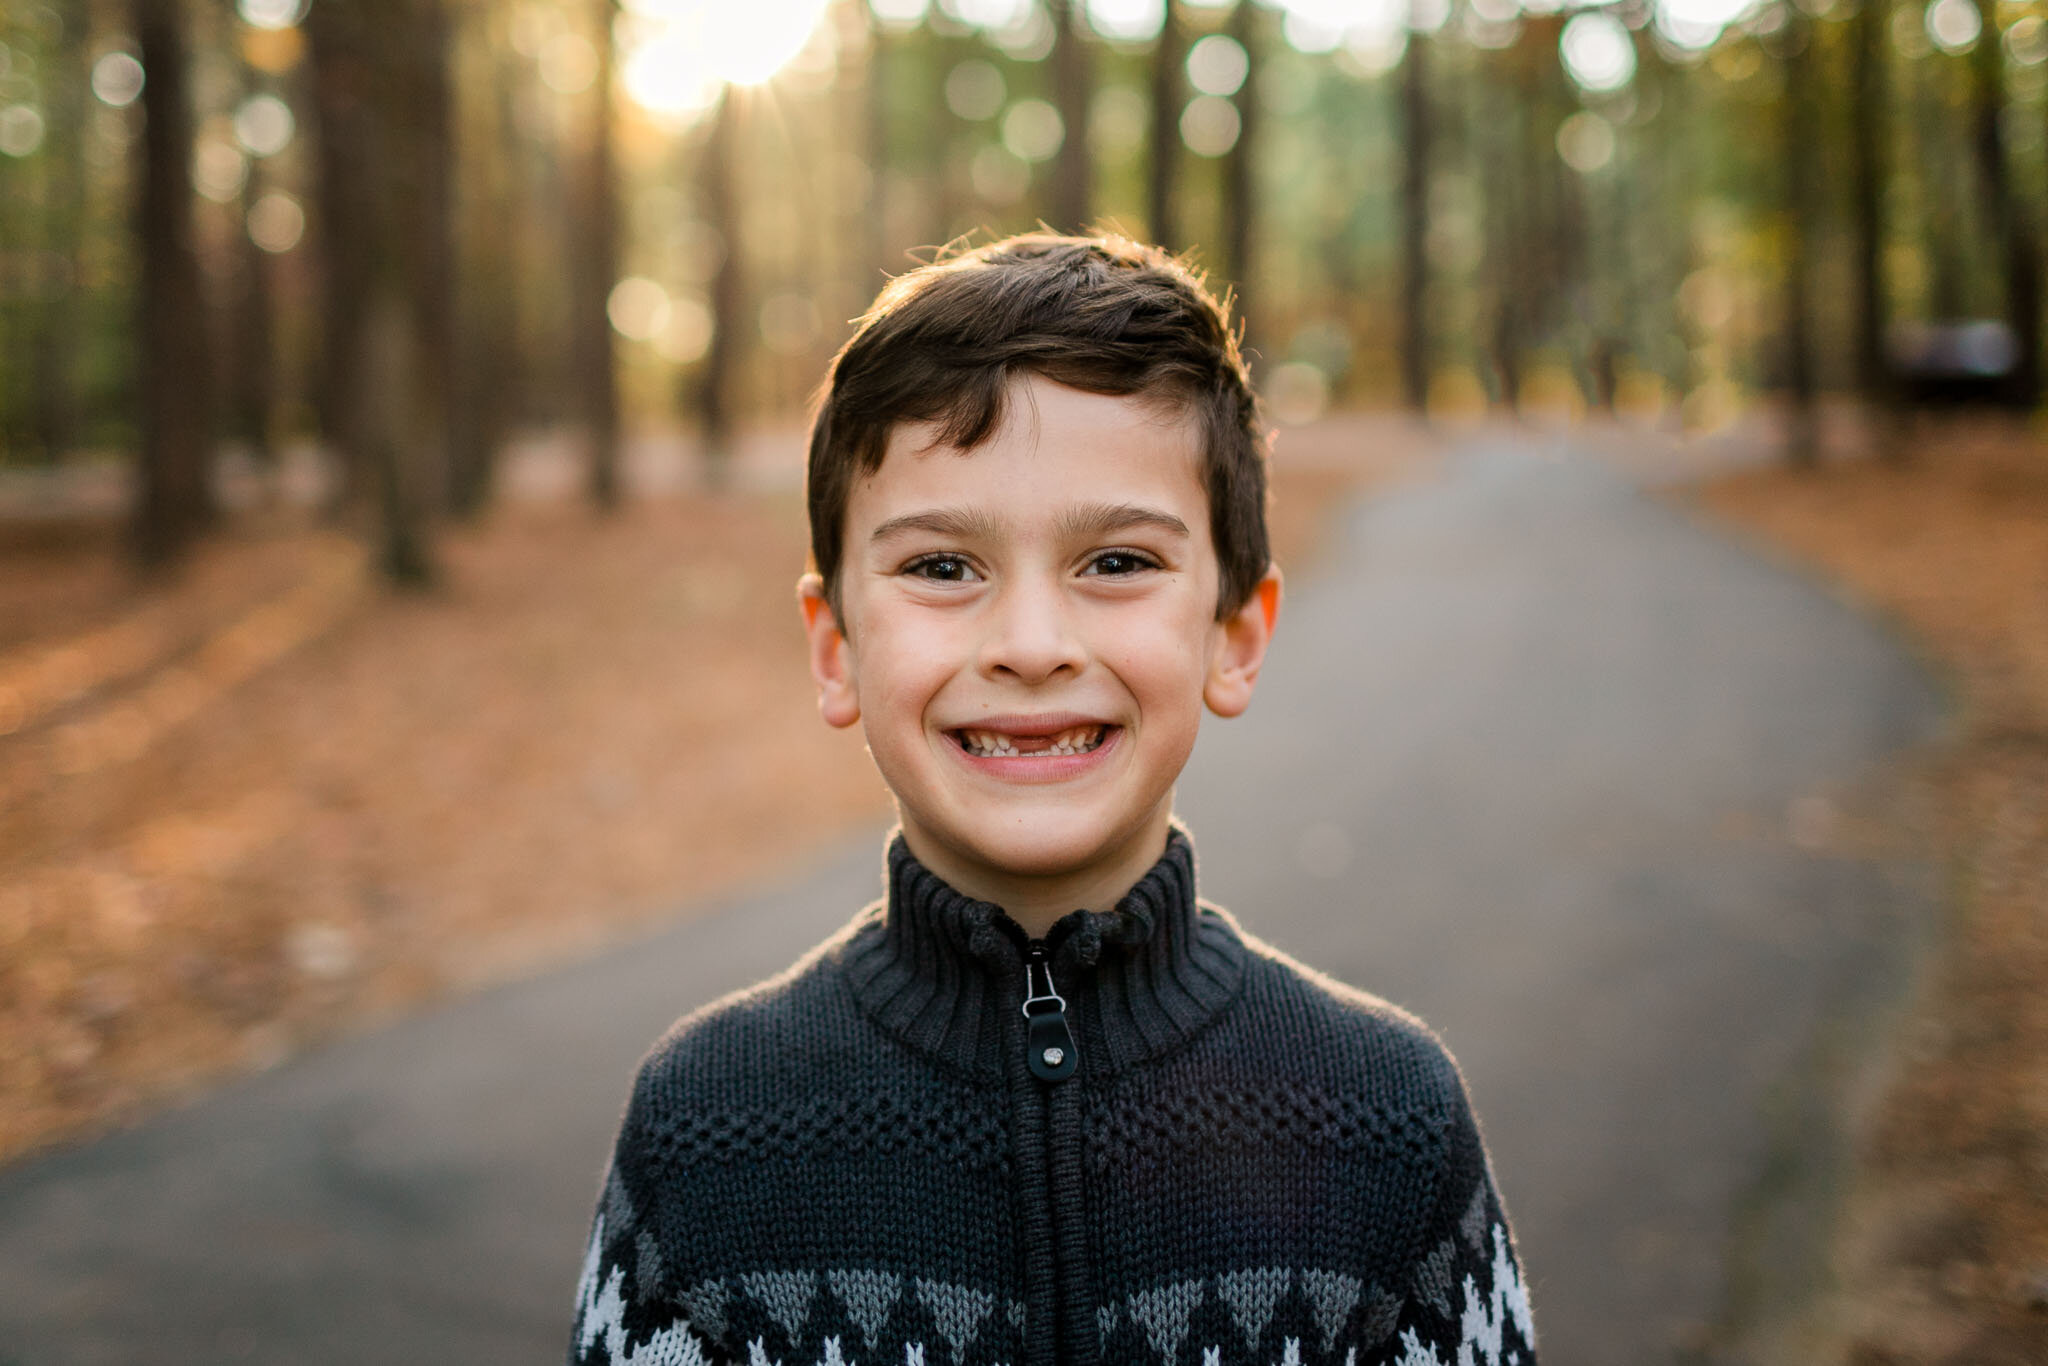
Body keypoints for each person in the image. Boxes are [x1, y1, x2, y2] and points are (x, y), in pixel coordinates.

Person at [566, 234, 1537, 1366]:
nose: (1030, 645)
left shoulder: (1387, 1121)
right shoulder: (704, 1129)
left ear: (1234, 635)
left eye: (1116, 563)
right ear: (834, 649)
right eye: (941, 567)